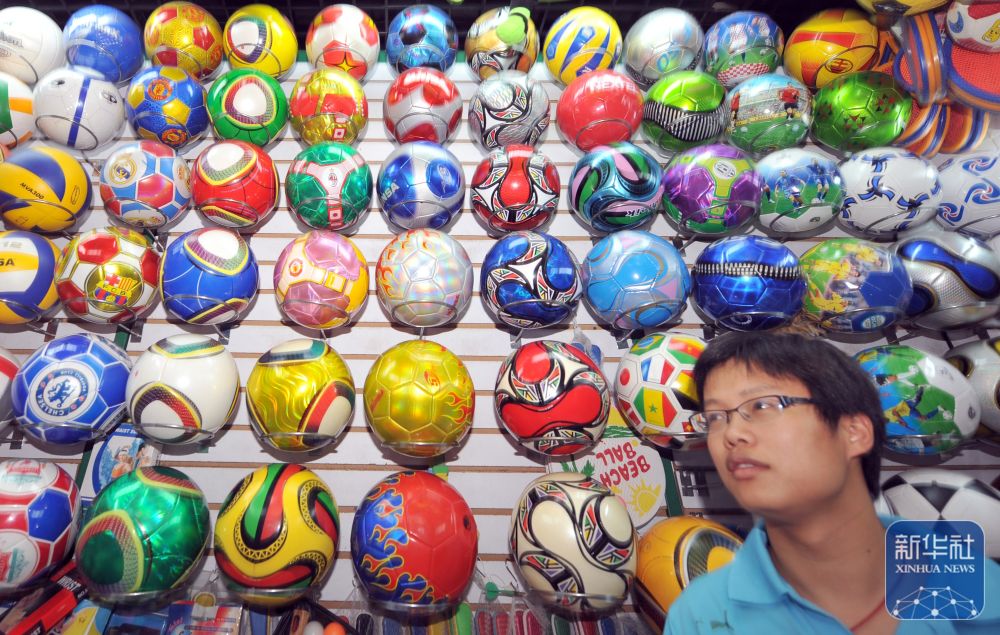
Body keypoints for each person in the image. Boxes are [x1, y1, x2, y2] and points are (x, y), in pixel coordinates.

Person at [663, 331, 1000, 634]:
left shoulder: (984, 591)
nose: (732, 433)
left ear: (855, 432)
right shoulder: (700, 617)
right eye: (715, 417)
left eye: (763, 405)